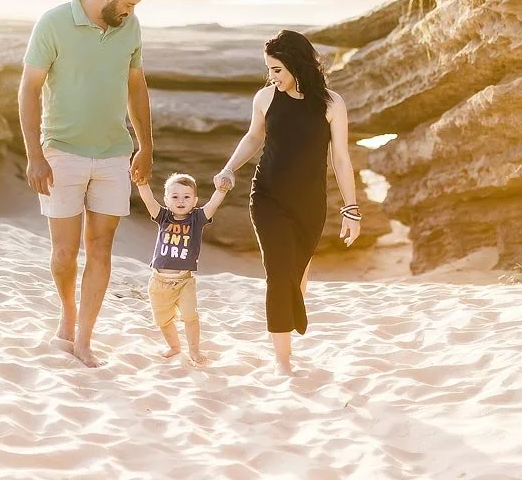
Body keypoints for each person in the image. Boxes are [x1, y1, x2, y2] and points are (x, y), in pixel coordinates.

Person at [19, 0, 154, 368]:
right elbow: (28, 90)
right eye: (128, 4)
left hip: (113, 154)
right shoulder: (54, 23)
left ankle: (83, 338)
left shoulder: (129, 27)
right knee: (64, 254)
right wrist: (35, 156)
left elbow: (136, 85)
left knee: (101, 247)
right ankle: (67, 311)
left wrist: (144, 145)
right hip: (62, 152)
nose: (131, 13)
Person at [214, 29, 361, 376]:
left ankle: (286, 335)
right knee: (280, 274)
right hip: (267, 197)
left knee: (296, 277)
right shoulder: (265, 98)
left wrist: (351, 209)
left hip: (310, 206)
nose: (272, 77)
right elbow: (254, 137)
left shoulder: (331, 103)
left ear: (295, 64)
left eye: (277, 69)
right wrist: (229, 168)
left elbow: (341, 158)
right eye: (269, 70)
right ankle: (282, 360)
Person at [135, 172, 229, 366]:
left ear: (194, 200)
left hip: (184, 281)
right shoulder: (163, 216)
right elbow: (149, 201)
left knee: (190, 317)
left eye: (186, 197)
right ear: (167, 200)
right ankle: (175, 346)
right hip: (159, 282)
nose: (180, 200)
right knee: (162, 319)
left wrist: (220, 191)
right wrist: (142, 185)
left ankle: (194, 350)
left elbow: (212, 205)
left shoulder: (197, 218)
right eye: (175, 196)